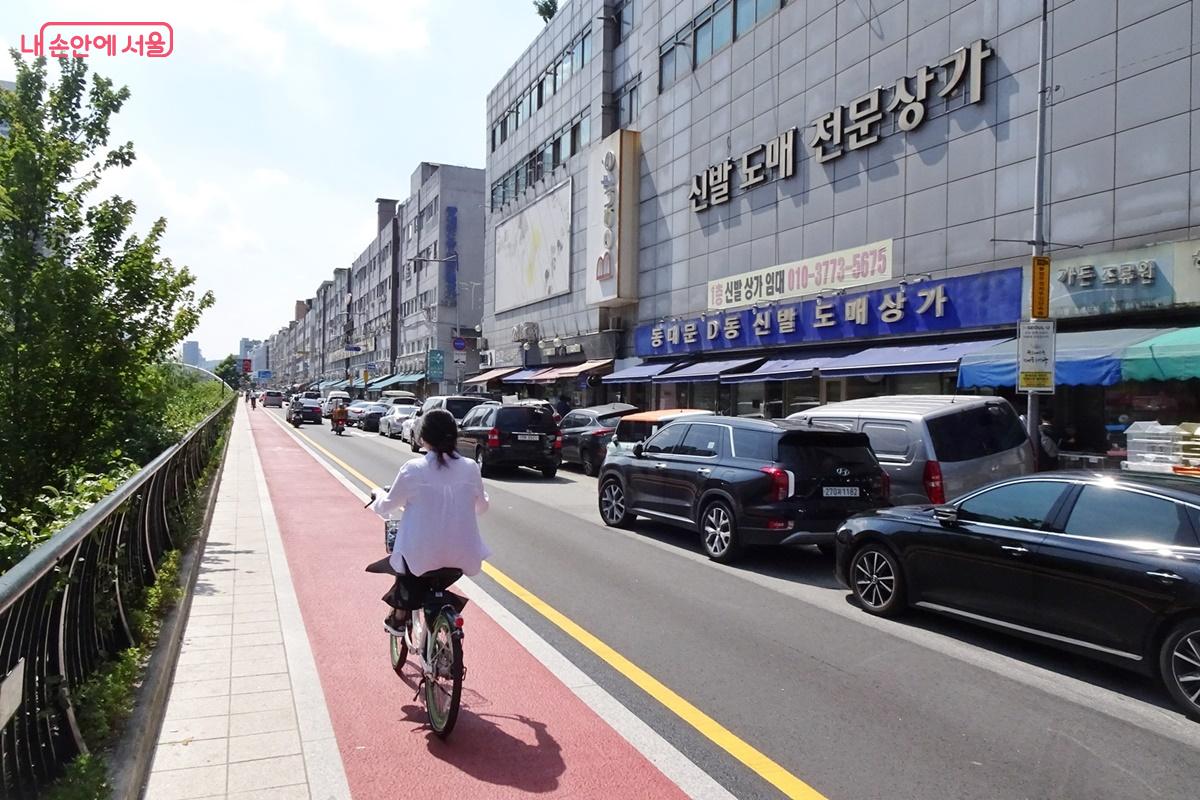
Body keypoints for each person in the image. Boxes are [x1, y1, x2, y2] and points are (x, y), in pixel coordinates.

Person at [370, 409, 490, 633]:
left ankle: (399, 614)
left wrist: (376, 495)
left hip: (420, 558)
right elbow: (482, 508)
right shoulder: (471, 467)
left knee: (407, 565)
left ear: (423, 438)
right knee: (431, 569)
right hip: (463, 557)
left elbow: (387, 505)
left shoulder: (413, 469)